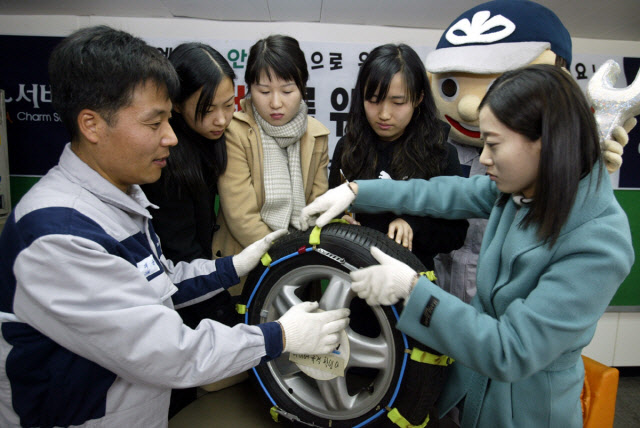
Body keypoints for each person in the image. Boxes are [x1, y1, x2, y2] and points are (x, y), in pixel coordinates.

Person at [0, 26, 350, 427]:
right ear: (92, 124)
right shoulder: (59, 235)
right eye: (154, 123)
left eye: (169, 119)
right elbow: (168, 353)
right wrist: (280, 337)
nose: (170, 137)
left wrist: (232, 267)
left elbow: (158, 286)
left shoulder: (121, 201)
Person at [300, 64, 634, 427]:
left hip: (523, 411)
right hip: (465, 387)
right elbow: (441, 192)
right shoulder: (523, 187)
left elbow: (512, 351)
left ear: (545, 143)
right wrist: (356, 191)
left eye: (493, 144)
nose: (484, 159)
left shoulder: (600, 241)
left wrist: (413, 290)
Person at [426, 0, 636, 303]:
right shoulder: (436, 144)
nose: (469, 108)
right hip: (440, 281)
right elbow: (426, 195)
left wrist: (588, 172)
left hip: (508, 298)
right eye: (450, 88)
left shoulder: (551, 160)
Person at [140, 42, 238, 417]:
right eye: (207, 109)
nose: (221, 119)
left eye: (229, 105)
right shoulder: (167, 164)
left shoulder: (211, 143)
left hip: (201, 276)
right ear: (177, 104)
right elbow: (181, 255)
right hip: (177, 296)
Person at [328, 43, 468, 271]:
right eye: (373, 100)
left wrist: (414, 226)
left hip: (413, 284)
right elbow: (332, 212)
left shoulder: (440, 152)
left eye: (398, 102)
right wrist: (339, 225)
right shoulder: (348, 147)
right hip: (354, 281)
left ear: (419, 98)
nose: (384, 114)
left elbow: (456, 234)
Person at [212, 34, 330, 293]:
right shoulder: (235, 132)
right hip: (249, 266)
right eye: (264, 91)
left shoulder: (317, 134)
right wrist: (288, 257)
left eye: (287, 91)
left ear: (302, 87)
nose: (276, 103)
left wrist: (300, 259)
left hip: (303, 268)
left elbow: (318, 205)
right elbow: (241, 216)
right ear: (250, 89)